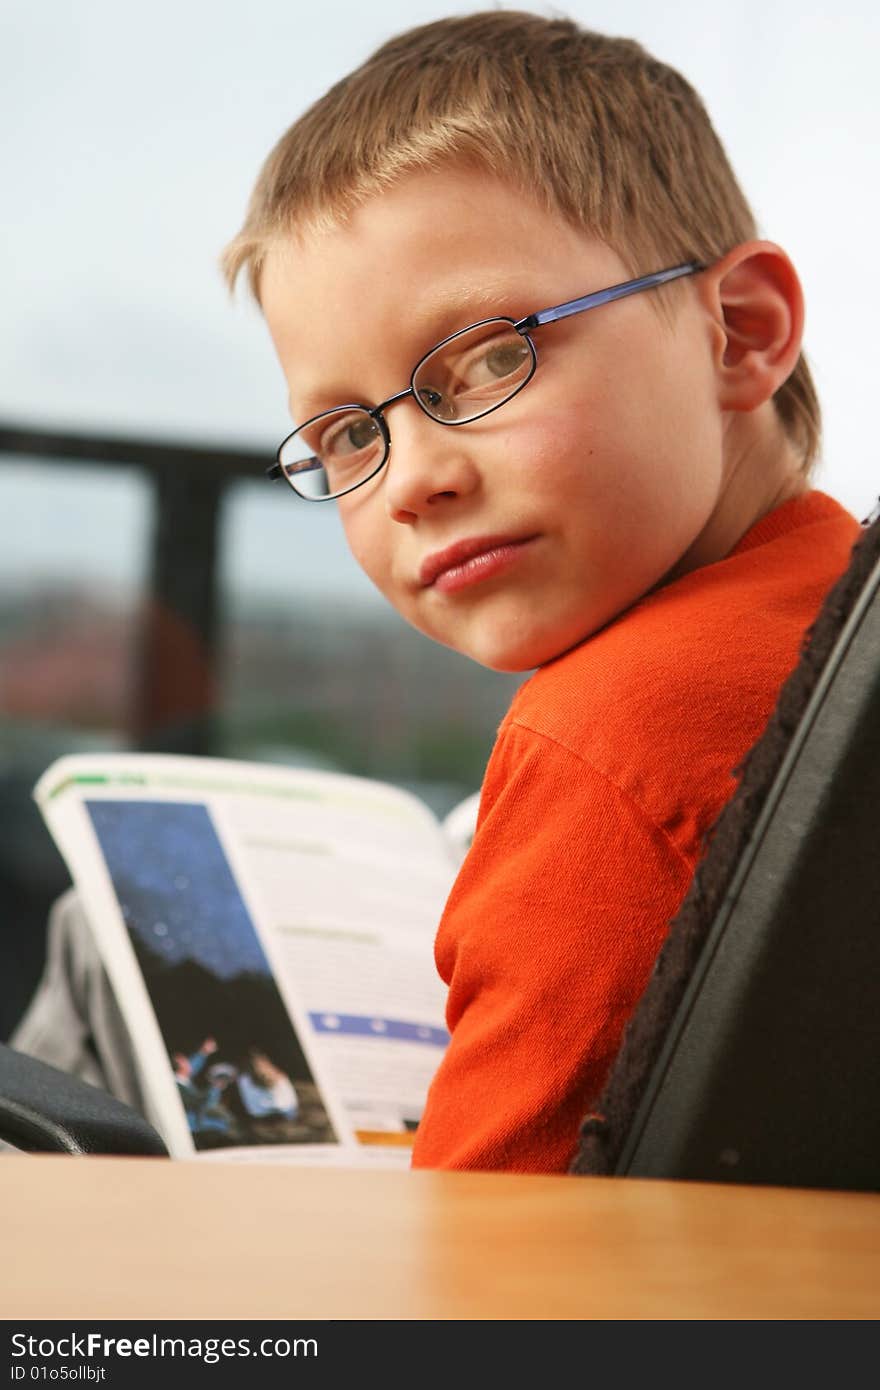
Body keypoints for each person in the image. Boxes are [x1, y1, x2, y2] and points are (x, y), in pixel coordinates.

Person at [218, 9, 863, 1174]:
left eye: (490, 358)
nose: (413, 479)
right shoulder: (832, 610)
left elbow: (485, 1277)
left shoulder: (608, 737)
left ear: (740, 334)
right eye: (347, 434)